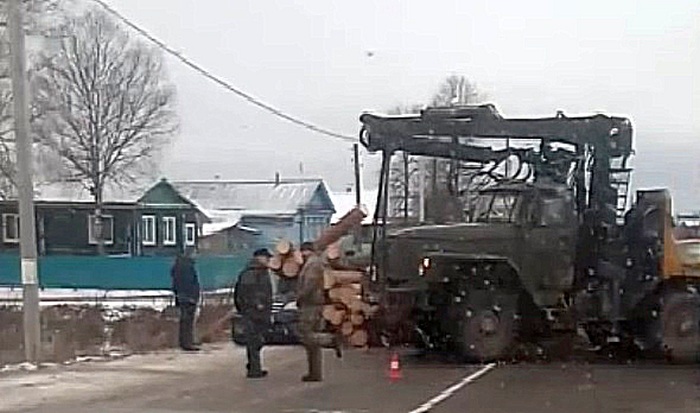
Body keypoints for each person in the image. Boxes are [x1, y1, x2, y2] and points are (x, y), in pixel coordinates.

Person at [296, 242, 341, 382]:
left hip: (310, 304)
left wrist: (300, 297)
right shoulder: (314, 263)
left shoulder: (312, 264)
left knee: (306, 334)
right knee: (312, 344)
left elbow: (310, 284)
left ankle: (330, 339)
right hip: (313, 303)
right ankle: (315, 373)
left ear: (306, 251)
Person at [234, 248, 273, 379]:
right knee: (254, 340)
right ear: (259, 258)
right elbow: (247, 292)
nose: (268, 260)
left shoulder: (261, 271)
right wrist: (257, 304)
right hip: (253, 312)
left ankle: (254, 366)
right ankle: (254, 369)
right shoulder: (251, 273)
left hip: (260, 312)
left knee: (258, 340)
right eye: (266, 257)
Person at [171, 249, 201, 352]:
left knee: (186, 321)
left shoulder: (181, 265)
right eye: (194, 253)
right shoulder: (186, 266)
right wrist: (191, 296)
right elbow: (187, 283)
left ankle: (186, 342)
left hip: (184, 297)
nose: (196, 255)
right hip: (188, 298)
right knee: (187, 321)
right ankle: (187, 343)